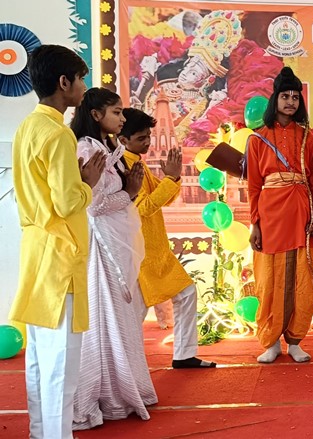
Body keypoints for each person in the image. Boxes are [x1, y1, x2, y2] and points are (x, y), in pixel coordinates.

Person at [9, 44, 103, 439]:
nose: (84, 86)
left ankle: (38, 431)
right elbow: (67, 201)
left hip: (37, 251)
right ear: (64, 83)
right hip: (61, 254)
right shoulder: (59, 135)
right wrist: (88, 185)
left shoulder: (28, 127)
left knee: (39, 360)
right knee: (61, 365)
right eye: (81, 78)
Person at [70, 88, 157, 429]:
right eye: (116, 113)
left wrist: (125, 193)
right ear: (95, 115)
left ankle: (124, 389)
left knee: (124, 317)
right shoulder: (85, 148)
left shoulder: (106, 148)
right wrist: (130, 193)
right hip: (101, 248)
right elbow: (94, 205)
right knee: (105, 319)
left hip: (114, 242)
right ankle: (107, 395)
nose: (122, 119)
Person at [119, 109, 215, 369]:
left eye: (149, 136)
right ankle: (126, 370)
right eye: (142, 138)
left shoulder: (135, 162)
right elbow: (144, 207)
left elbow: (162, 199)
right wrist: (170, 179)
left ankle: (184, 355)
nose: (148, 142)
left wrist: (171, 178)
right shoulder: (122, 166)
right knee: (134, 314)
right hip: (139, 254)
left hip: (156, 250)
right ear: (123, 139)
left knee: (185, 293)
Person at [246, 67, 313, 363]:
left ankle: (296, 339)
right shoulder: (257, 139)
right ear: (274, 99)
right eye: (285, 96)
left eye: (295, 97)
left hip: (300, 211)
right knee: (269, 278)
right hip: (270, 214)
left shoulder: (307, 139)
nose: (290, 102)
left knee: (302, 275)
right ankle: (271, 340)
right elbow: (253, 186)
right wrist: (255, 223)